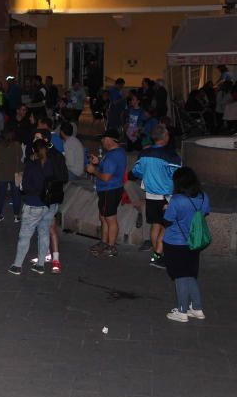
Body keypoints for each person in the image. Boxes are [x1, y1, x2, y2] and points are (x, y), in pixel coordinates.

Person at [129, 125, 181, 269]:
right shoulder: (171, 155)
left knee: (155, 225)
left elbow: (136, 172)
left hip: (150, 196)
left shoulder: (144, 154)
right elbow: (177, 176)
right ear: (165, 137)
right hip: (166, 198)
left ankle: (157, 254)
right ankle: (157, 257)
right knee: (166, 227)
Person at [162, 167, 209, 323]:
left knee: (180, 276)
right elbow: (204, 213)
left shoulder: (177, 200)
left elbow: (167, 221)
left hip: (175, 242)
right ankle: (197, 308)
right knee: (190, 275)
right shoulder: (203, 197)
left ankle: (182, 311)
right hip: (194, 242)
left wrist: (166, 209)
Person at [9, 140, 60, 275]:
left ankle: (17, 265)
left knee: (25, 236)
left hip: (34, 205)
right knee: (44, 233)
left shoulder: (31, 165)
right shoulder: (53, 163)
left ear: (33, 151)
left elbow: (25, 186)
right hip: (50, 205)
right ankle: (40, 264)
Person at [86, 130, 127, 259]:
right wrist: (99, 162)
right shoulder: (118, 152)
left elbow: (105, 177)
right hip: (113, 189)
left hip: (109, 190)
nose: (102, 141)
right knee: (104, 217)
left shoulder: (112, 156)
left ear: (109, 139)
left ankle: (111, 246)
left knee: (110, 219)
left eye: (103, 139)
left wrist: (93, 170)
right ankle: (104, 243)